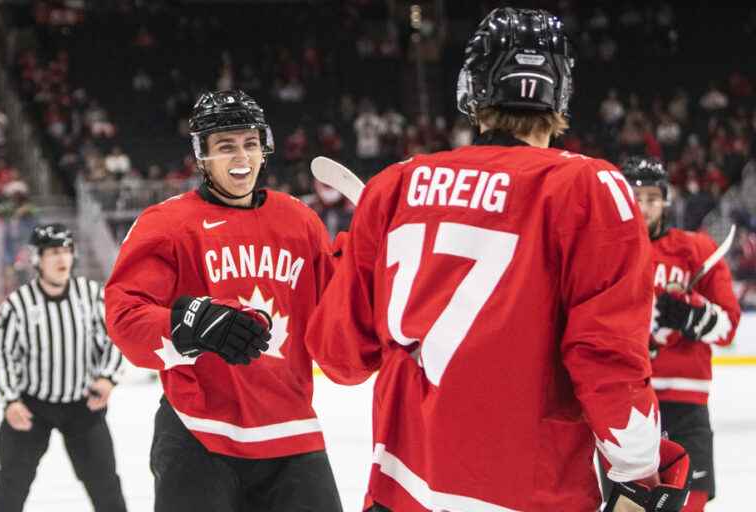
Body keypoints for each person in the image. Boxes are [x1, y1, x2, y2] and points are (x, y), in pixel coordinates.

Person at [306, 7, 690, 512]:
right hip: (529, 492)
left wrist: (351, 260)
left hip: (404, 488)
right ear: (561, 91)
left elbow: (340, 357)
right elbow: (606, 359)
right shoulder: (590, 188)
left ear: (473, 88)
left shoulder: (396, 185)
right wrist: (640, 474)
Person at [104, 90, 343, 512]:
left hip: (291, 430)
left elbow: (341, 314)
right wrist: (186, 324)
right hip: (198, 434)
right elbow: (125, 315)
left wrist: (372, 268)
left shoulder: (300, 222)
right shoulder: (167, 224)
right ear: (202, 155)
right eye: (226, 146)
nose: (242, 157)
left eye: (250, 143)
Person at [620, 156, 741, 511]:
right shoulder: (607, 252)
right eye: (636, 198)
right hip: (626, 404)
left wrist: (689, 313)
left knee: (689, 504)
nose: (644, 208)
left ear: (666, 201)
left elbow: (729, 327)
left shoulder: (695, 249)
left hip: (685, 406)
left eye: (652, 199)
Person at [0, 223, 126, 512]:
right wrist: (11, 401)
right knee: (11, 484)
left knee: (105, 484)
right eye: (53, 252)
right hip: (32, 404)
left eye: (66, 251)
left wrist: (107, 378)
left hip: (82, 403)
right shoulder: (19, 303)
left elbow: (115, 338)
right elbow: (2, 353)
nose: (62, 259)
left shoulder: (90, 294)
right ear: (37, 258)